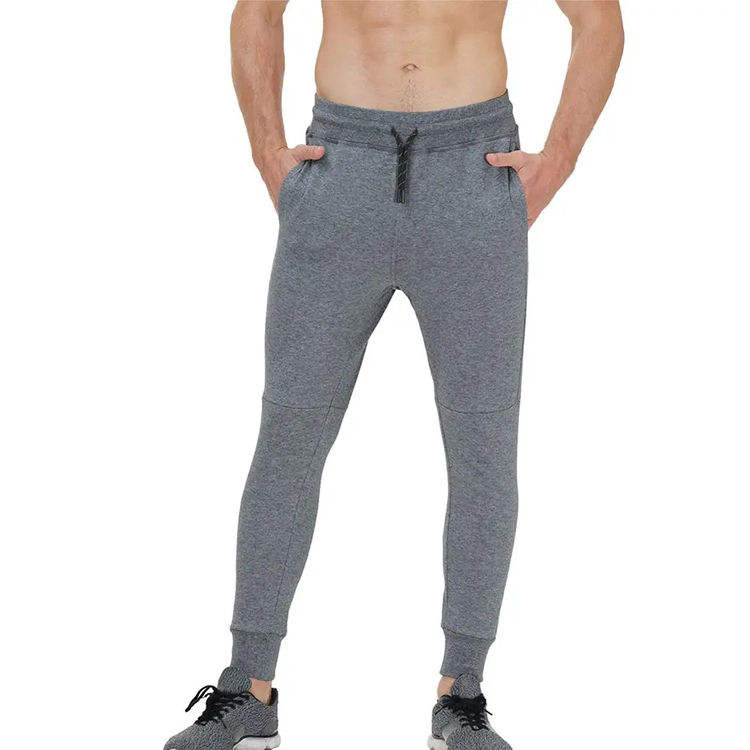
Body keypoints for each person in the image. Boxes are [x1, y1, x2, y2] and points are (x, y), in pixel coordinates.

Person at [164, 2, 624, 749]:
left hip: (473, 172)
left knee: (482, 444)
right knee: (289, 437)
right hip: (340, 168)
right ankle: (247, 688)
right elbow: (257, 12)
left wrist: (559, 160)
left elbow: (598, 18)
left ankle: (462, 694)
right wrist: (266, 152)